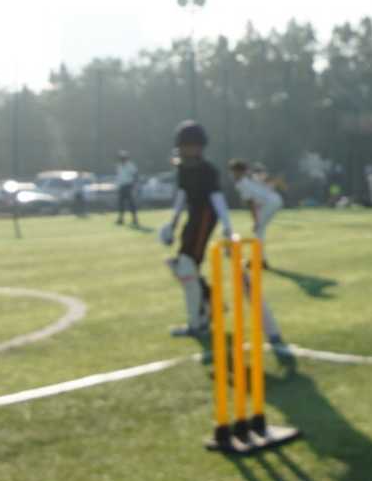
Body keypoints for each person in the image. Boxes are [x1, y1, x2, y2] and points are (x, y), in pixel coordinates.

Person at [159, 123, 288, 356]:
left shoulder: (208, 170)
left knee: (187, 265)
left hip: (206, 217)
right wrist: (172, 222)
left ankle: (201, 319)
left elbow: (217, 198)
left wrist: (228, 228)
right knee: (182, 267)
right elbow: (182, 195)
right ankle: (207, 308)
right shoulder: (182, 169)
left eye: (192, 146)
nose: (188, 151)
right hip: (193, 218)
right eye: (185, 146)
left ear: (200, 147)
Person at [227, 159, 283, 269]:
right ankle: (261, 260)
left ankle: (260, 261)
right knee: (259, 231)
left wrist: (256, 220)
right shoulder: (251, 177)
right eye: (232, 171)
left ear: (241, 171)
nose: (233, 174)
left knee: (258, 230)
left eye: (235, 171)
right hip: (274, 200)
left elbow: (251, 203)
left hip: (270, 203)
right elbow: (268, 182)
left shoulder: (242, 183)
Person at [114, 151, 140, 226]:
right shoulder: (119, 166)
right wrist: (118, 186)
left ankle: (134, 219)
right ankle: (121, 219)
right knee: (121, 204)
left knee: (131, 204)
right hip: (121, 187)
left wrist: (134, 185)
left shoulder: (130, 165)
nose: (122, 159)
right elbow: (118, 177)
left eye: (123, 158)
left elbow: (135, 175)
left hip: (128, 186)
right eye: (121, 158)